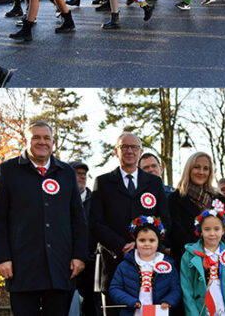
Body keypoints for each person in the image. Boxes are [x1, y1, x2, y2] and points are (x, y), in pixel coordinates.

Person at [0, 121, 87, 316]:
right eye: (36, 137)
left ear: (53, 143)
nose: (42, 142)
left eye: (46, 138)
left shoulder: (66, 172)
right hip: (22, 268)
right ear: (26, 141)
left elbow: (78, 217)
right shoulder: (8, 171)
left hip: (60, 267)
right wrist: (2, 258)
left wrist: (79, 256)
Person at [90, 133, 171, 316]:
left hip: (150, 266)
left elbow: (165, 221)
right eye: (124, 147)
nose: (129, 151)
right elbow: (95, 223)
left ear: (140, 151)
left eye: (134, 147)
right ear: (115, 152)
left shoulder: (154, 183)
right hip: (114, 263)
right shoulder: (103, 182)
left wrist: (143, 245)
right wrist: (121, 246)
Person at [166, 151, 225, 282]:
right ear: (189, 169)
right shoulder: (175, 198)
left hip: (217, 263)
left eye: (206, 168)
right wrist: (200, 254)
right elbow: (175, 233)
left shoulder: (220, 199)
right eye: (197, 167)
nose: (201, 172)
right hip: (187, 262)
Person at [107, 217, 180, 316]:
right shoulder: (124, 265)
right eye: (142, 240)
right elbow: (115, 288)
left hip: (159, 312)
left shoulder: (168, 265)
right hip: (132, 312)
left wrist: (168, 300)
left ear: (158, 242)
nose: (147, 244)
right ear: (135, 242)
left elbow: (176, 289)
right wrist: (130, 301)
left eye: (151, 240)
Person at [180, 209, 225, 316]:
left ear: (223, 230)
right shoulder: (189, 255)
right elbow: (187, 289)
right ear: (200, 231)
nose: (212, 233)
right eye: (207, 229)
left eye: (217, 229)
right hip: (202, 308)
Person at [70, 161, 97, 316]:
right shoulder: (61, 201)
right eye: (77, 173)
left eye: (83, 174)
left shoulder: (95, 201)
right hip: (67, 262)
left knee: (90, 305)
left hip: (90, 263)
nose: (81, 177)